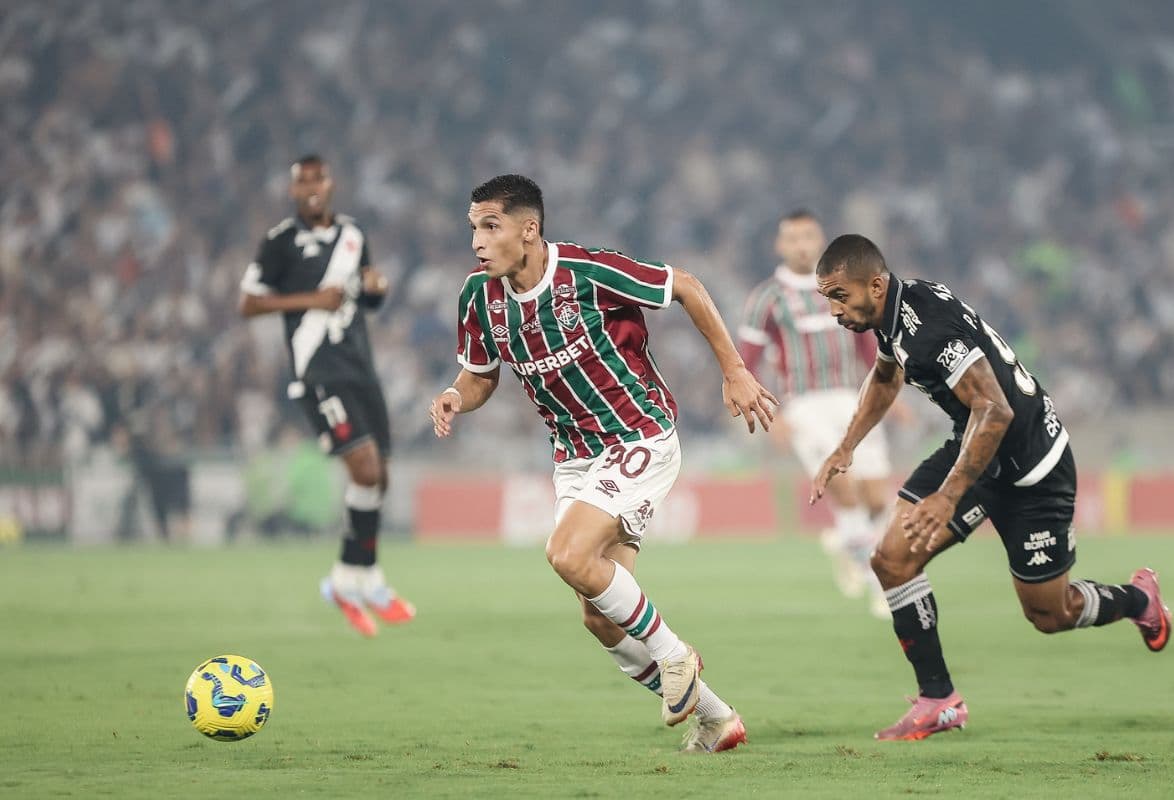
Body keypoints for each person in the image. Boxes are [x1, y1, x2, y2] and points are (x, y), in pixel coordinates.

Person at [430, 174, 777, 753]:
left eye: (490, 227)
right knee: (599, 619)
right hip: (575, 458)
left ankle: (674, 654)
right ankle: (717, 719)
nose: (478, 242)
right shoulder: (478, 297)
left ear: (529, 228)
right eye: (474, 229)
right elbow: (480, 375)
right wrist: (454, 396)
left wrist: (734, 370)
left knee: (566, 553)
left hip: (639, 434)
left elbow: (685, 286)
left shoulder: (587, 271)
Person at [810, 234, 1172, 740]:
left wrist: (949, 495)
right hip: (977, 448)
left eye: (839, 296)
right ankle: (940, 700)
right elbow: (886, 376)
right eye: (827, 298)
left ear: (874, 284)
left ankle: (1138, 601)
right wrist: (846, 445)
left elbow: (995, 408)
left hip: (1032, 467)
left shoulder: (928, 328)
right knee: (891, 559)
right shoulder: (891, 313)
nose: (833, 310)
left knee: (1050, 612)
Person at [239, 154, 414, 637]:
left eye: (318, 179)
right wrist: (310, 300)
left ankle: (357, 577)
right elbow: (249, 302)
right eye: (302, 182)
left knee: (380, 478)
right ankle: (355, 578)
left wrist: (377, 289)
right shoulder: (279, 242)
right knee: (364, 468)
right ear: (293, 190)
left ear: (331, 184)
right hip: (317, 371)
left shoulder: (353, 234)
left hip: (361, 368)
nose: (311, 188)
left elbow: (366, 295)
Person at [738, 210, 893, 618]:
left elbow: (865, 346)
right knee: (843, 487)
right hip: (804, 404)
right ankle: (882, 584)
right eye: (793, 238)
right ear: (780, 245)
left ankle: (847, 543)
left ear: (821, 240)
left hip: (852, 397)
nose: (802, 245)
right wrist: (774, 414)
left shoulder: (845, 288)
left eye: (808, 237)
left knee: (877, 496)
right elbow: (745, 364)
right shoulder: (767, 298)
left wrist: (890, 392)